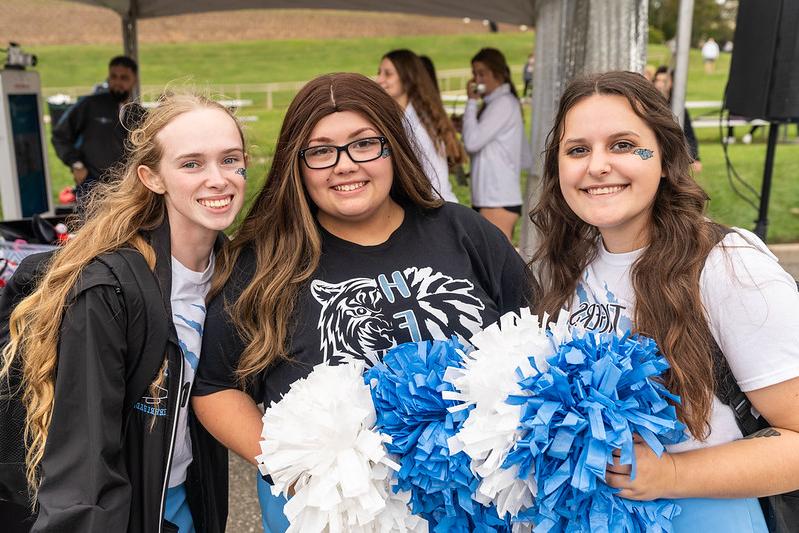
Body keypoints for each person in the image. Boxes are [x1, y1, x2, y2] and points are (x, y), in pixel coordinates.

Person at [191, 72, 531, 532]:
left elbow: (536, 339)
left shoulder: (464, 232)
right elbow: (214, 385)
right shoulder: (265, 261)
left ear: (393, 147)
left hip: (476, 512)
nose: (344, 164)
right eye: (321, 151)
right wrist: (298, 467)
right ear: (298, 163)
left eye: (364, 143)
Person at [529, 71, 799, 532]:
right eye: (577, 150)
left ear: (665, 156)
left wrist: (670, 474)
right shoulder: (572, 265)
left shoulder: (727, 264)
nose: (596, 166)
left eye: (621, 144)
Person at [0, 92, 247, 532]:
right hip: (124, 512)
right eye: (191, 164)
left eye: (230, 160)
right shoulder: (108, 289)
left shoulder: (233, 276)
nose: (219, 179)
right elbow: (85, 463)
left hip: (184, 502)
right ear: (152, 178)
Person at [51, 56, 143, 206]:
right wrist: (76, 164)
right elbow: (60, 135)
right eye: (114, 76)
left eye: (124, 77)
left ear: (134, 80)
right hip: (92, 187)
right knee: (94, 229)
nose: (118, 82)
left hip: (129, 190)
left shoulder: (138, 113)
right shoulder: (90, 105)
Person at [377, 49, 465, 203]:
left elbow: (434, 184)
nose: (379, 79)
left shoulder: (419, 125)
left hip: (434, 212)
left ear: (407, 78)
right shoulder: (403, 119)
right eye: (380, 72)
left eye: (388, 74)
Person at [462, 47, 526, 241]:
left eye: (482, 74)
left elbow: (473, 142)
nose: (476, 80)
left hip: (497, 197)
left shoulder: (503, 103)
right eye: (474, 74)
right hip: (490, 195)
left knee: (495, 262)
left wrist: (471, 102)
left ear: (497, 74)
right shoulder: (494, 103)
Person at [652, 66, 702, 172]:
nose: (660, 84)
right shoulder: (648, 105)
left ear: (672, 83)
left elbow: (688, 134)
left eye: (664, 81)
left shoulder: (677, 107)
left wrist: (695, 158)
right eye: (658, 80)